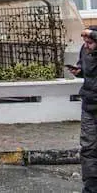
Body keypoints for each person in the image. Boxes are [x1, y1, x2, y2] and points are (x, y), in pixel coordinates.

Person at [70, 26, 97, 193]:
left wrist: (92, 33)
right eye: (85, 42)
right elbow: (85, 70)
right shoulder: (84, 50)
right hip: (89, 106)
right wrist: (78, 71)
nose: (86, 45)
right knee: (88, 148)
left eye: (90, 42)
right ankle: (91, 187)